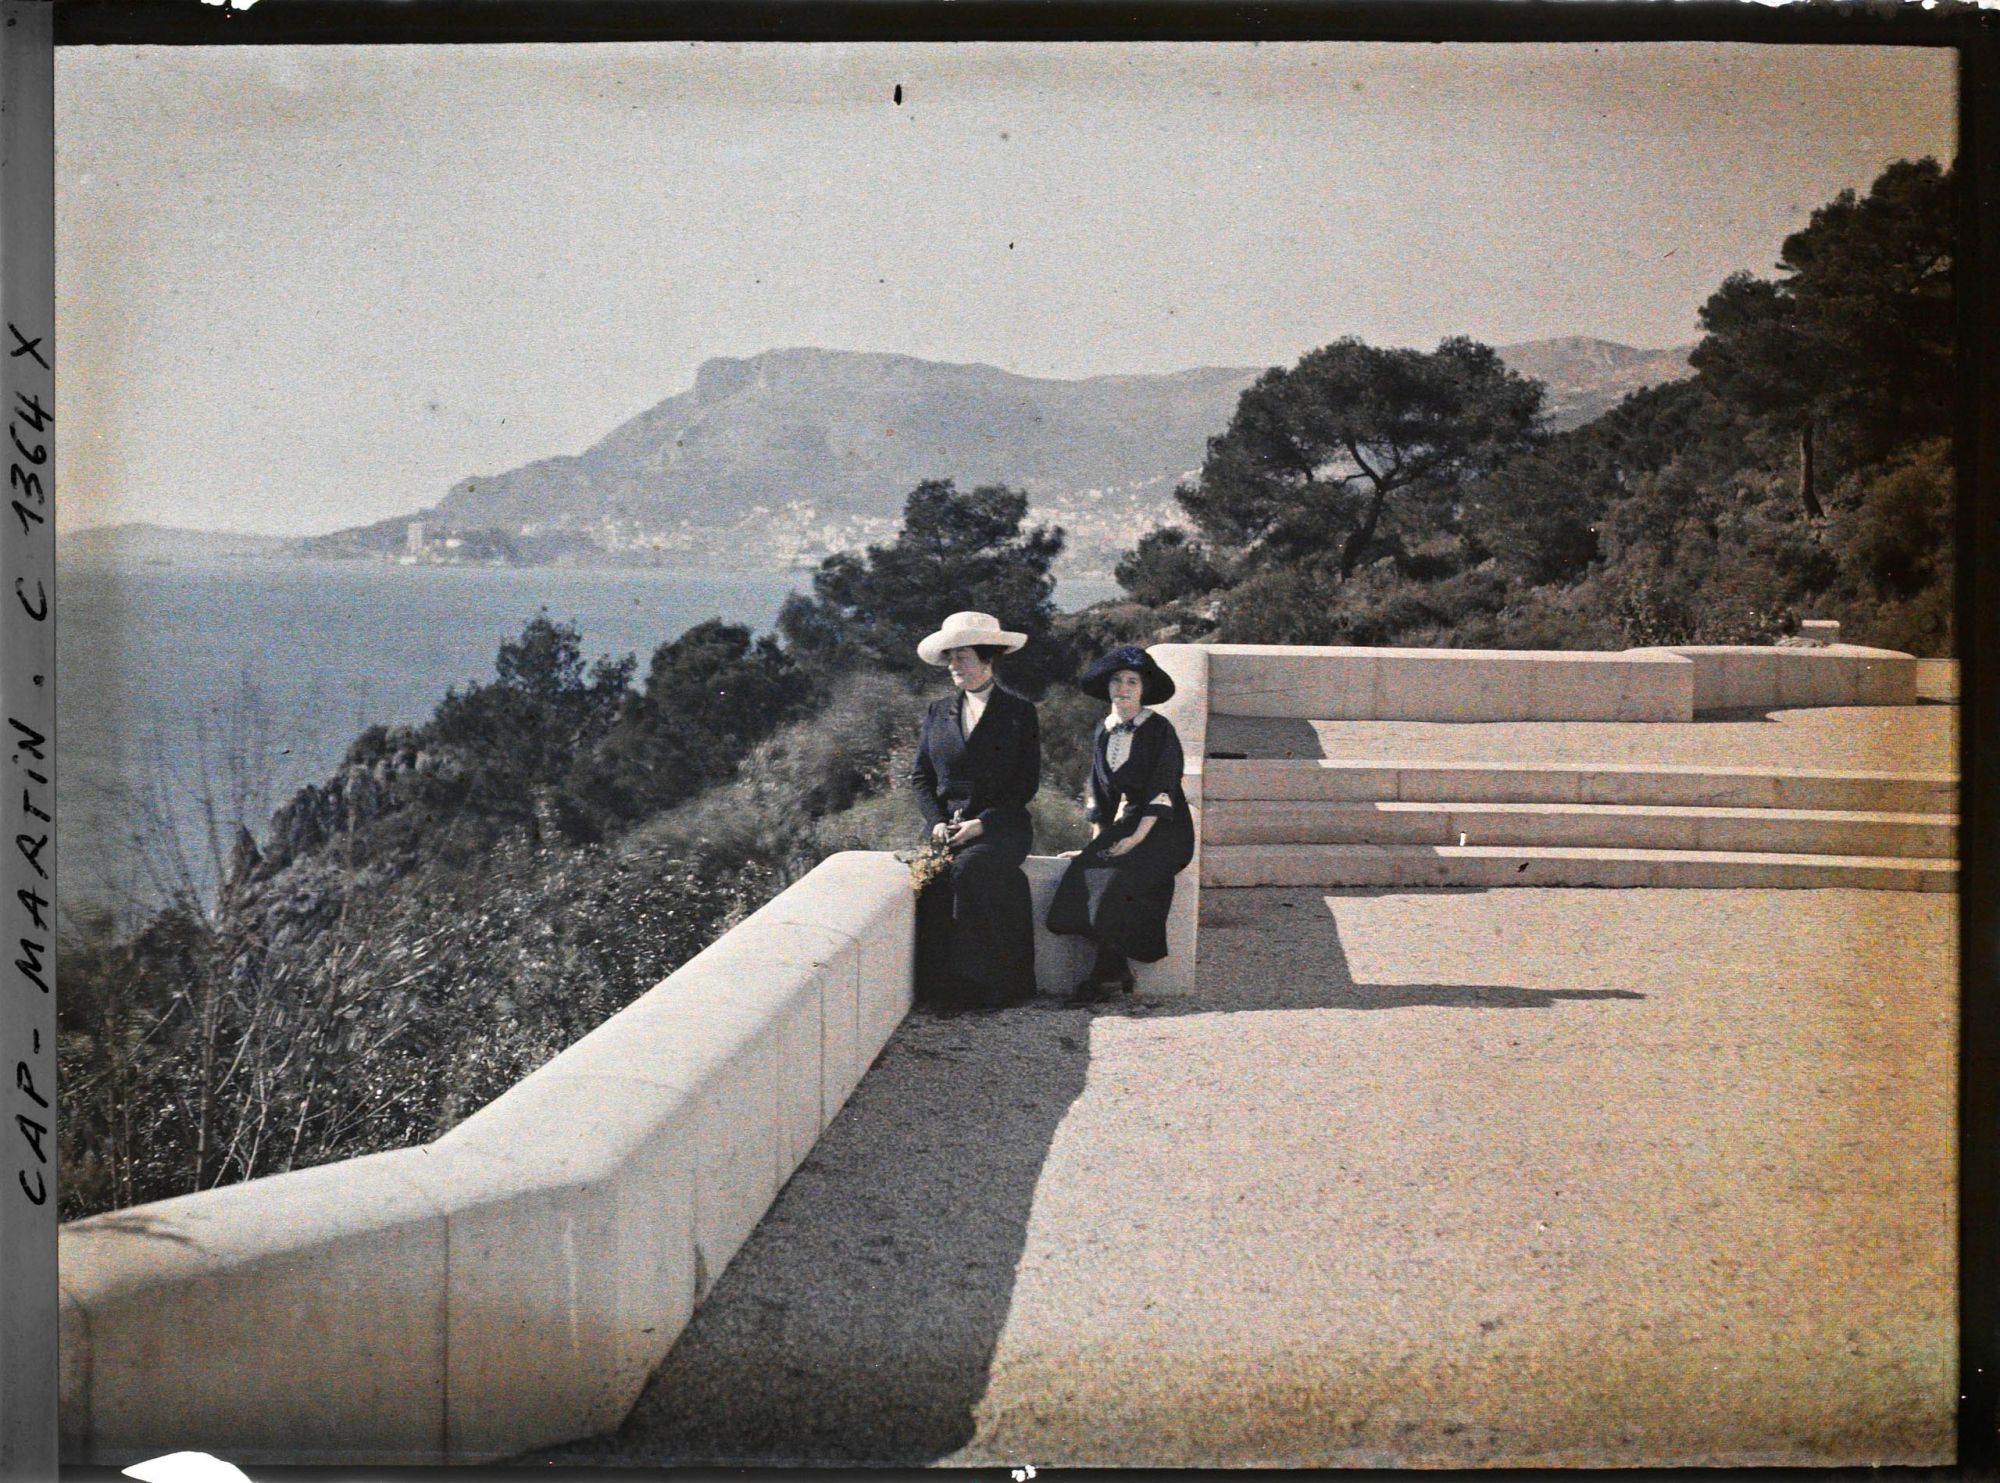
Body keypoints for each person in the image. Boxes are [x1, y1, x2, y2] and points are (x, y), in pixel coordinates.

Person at [908, 611, 1042, 1013]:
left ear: (988, 659)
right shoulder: (937, 712)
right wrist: (935, 822)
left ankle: (983, 985)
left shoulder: (1019, 712)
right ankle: (940, 988)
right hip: (946, 831)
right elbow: (921, 777)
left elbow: (1025, 784)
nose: (953, 665)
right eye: (950, 658)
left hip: (1002, 828)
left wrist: (983, 824)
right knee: (930, 878)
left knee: (970, 871)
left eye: (962, 657)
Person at [1047, 644, 1195, 1003]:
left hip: (1166, 828)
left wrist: (1135, 839)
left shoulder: (1159, 729)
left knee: (1117, 881)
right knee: (1082, 875)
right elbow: (1101, 794)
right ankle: (1113, 969)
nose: (1123, 688)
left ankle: (1105, 974)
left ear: (1143, 690)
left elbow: (1163, 787)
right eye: (1117, 680)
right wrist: (1095, 844)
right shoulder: (1104, 730)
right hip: (1129, 824)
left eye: (1132, 681)